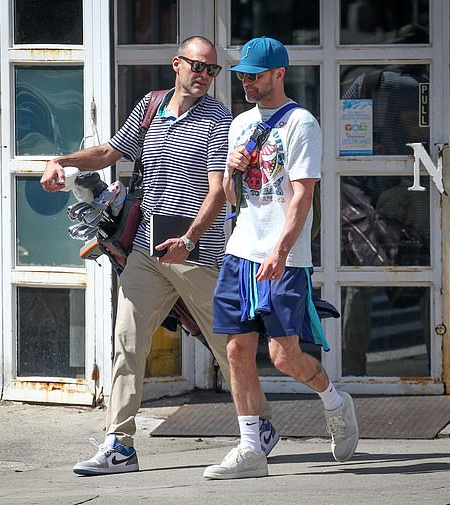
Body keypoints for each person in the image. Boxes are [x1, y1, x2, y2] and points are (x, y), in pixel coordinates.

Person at [40, 36, 277, 476]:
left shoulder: (218, 118)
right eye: (197, 67)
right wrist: (62, 160)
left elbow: (217, 193)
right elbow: (110, 152)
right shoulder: (150, 106)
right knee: (127, 343)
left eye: (212, 70)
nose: (204, 76)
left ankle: (260, 425)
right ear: (177, 64)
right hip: (146, 253)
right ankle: (120, 444)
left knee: (227, 347)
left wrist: (189, 238)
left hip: (194, 253)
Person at [203, 37, 359, 480]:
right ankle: (251, 448)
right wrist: (230, 170)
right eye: (243, 76)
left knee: (285, 356)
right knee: (235, 350)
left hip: (283, 256)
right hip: (241, 252)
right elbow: (232, 199)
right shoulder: (239, 124)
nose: (247, 82)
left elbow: (302, 197)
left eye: (255, 75)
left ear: (278, 73)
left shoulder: (301, 124)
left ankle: (335, 401)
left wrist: (282, 249)